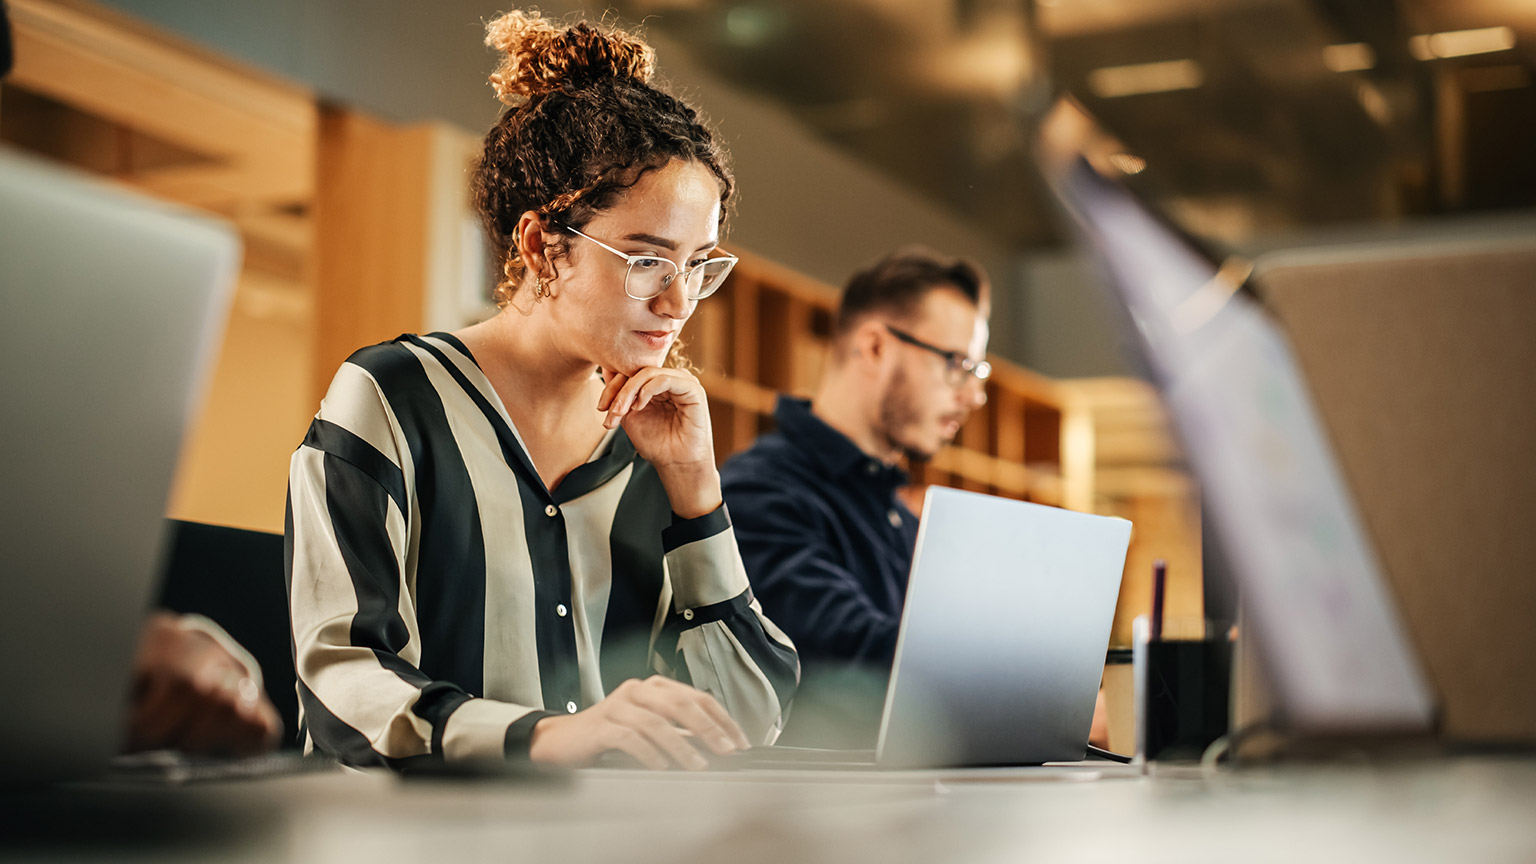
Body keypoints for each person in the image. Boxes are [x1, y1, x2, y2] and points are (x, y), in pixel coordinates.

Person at [285, 11, 797, 771]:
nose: (679, 300)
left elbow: (751, 720)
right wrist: (545, 738)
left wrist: (695, 489)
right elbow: (343, 687)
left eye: (698, 265)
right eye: (647, 260)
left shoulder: (652, 442)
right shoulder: (391, 397)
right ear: (540, 244)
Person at [720, 248, 991, 746]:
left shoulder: (902, 521)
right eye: (957, 364)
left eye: (977, 373)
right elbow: (848, 656)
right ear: (874, 348)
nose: (972, 396)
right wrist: (1021, 688)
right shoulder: (758, 492)